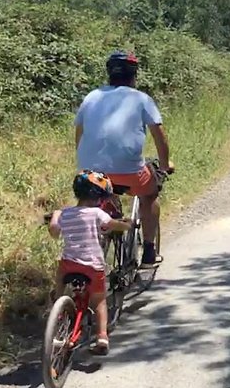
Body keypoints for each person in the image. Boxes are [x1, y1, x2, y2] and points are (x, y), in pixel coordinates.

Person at [74, 50, 174, 267]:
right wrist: (165, 165)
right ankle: (148, 250)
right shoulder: (141, 99)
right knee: (150, 194)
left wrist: (84, 164)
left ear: (109, 73)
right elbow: (160, 137)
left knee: (97, 196)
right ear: (133, 75)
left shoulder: (91, 97)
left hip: (90, 172)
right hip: (130, 172)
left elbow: (79, 135)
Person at [48, 170, 133, 355]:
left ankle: (58, 298)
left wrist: (55, 215)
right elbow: (111, 224)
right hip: (93, 265)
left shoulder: (65, 213)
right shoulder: (97, 213)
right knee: (99, 300)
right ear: (100, 197)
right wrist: (126, 224)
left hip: (70, 263)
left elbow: (54, 232)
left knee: (61, 270)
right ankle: (102, 336)